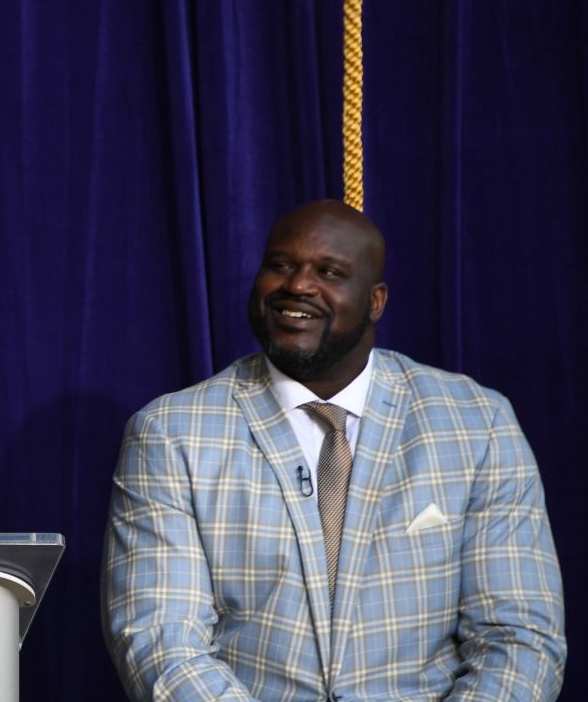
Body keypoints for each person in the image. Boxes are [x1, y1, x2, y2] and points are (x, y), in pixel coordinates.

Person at [101, 200, 565, 700]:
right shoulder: (172, 433)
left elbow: (519, 639)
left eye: (328, 271)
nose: (297, 285)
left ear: (376, 301)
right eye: (280, 266)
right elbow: (161, 641)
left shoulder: (477, 423)